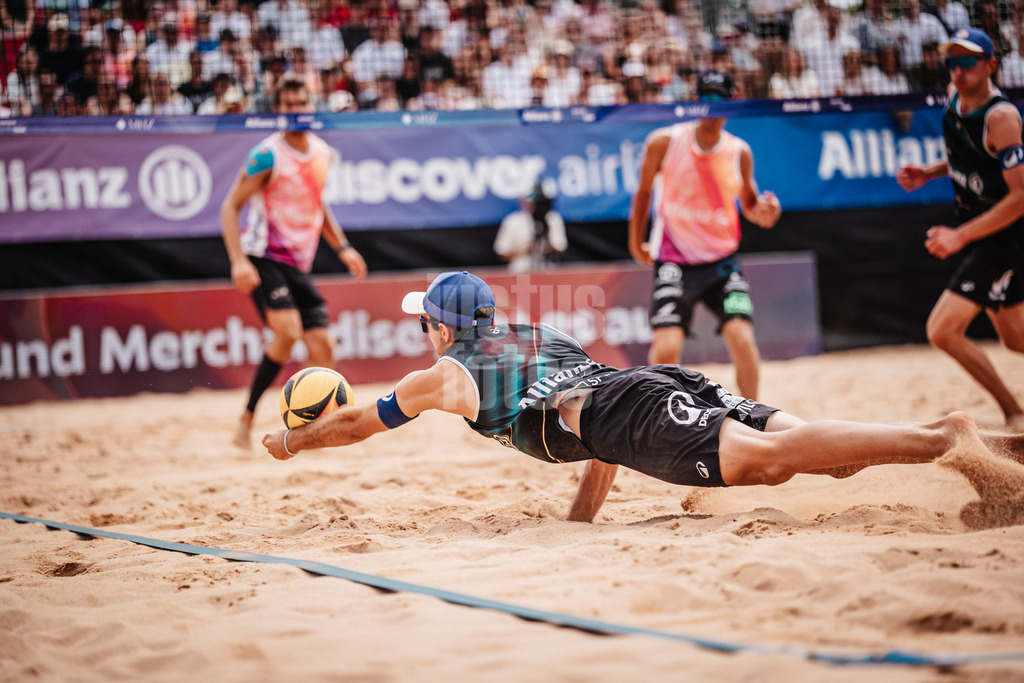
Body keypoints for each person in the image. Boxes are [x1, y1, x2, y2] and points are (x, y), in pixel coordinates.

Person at [260, 270, 1024, 524]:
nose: (421, 329)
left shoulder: (445, 374)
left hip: (628, 407)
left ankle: (944, 437)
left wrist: (292, 440)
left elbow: (357, 423)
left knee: (773, 460)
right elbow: (597, 431)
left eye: (425, 319)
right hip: (647, 388)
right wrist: (581, 520)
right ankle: (992, 451)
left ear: (444, 325)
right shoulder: (534, 333)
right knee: (809, 453)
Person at [221, 77, 368, 448]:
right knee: (287, 334)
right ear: (277, 110)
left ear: (311, 106)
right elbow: (229, 207)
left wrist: (343, 247)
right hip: (263, 255)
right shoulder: (266, 155)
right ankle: (246, 420)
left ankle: (315, 430)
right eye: (288, 105)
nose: (296, 111)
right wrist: (238, 261)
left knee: (323, 348)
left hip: (298, 263)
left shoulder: (323, 153)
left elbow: (318, 204)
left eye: (301, 104)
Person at [897, 27, 1024, 431]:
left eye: (968, 61)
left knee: (942, 330)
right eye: (952, 62)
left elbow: (1021, 197)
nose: (958, 69)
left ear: (990, 65)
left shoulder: (1001, 117)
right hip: (982, 232)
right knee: (1016, 339)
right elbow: (967, 161)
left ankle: (1013, 411)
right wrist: (929, 172)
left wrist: (961, 236)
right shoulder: (954, 99)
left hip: (1005, 237)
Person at [628, 70, 781, 402]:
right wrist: (635, 242)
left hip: (722, 262)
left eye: (718, 98)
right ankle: (655, 412)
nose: (711, 105)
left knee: (742, 338)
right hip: (674, 261)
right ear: (696, 101)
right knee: (666, 349)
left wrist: (766, 211)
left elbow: (751, 205)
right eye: (706, 97)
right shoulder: (665, 141)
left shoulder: (738, 151)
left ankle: (754, 413)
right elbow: (642, 193)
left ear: (731, 102)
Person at [494, 182, 568, 273]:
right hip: (520, 272)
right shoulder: (512, 221)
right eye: (530, 200)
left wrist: (546, 230)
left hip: (549, 271)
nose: (533, 204)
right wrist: (526, 248)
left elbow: (560, 248)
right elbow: (502, 253)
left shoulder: (553, 219)